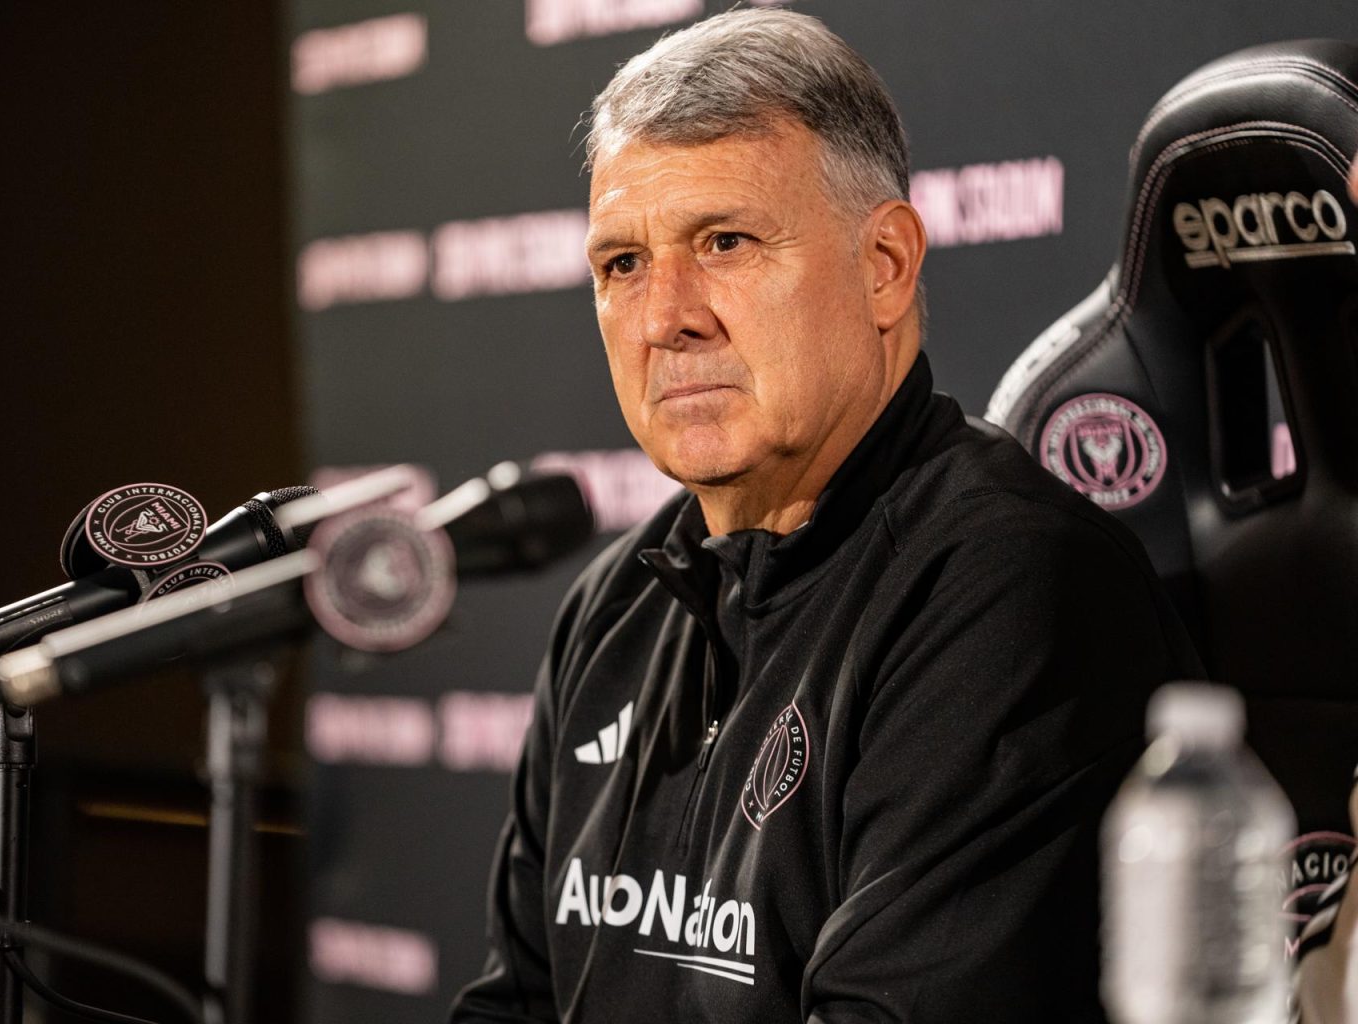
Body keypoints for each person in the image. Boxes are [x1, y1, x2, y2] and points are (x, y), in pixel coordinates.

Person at [451, 10, 1201, 1022]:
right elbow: (514, 1004)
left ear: (886, 265)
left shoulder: (1008, 592)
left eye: (725, 241)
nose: (667, 313)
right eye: (622, 263)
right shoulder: (613, 607)